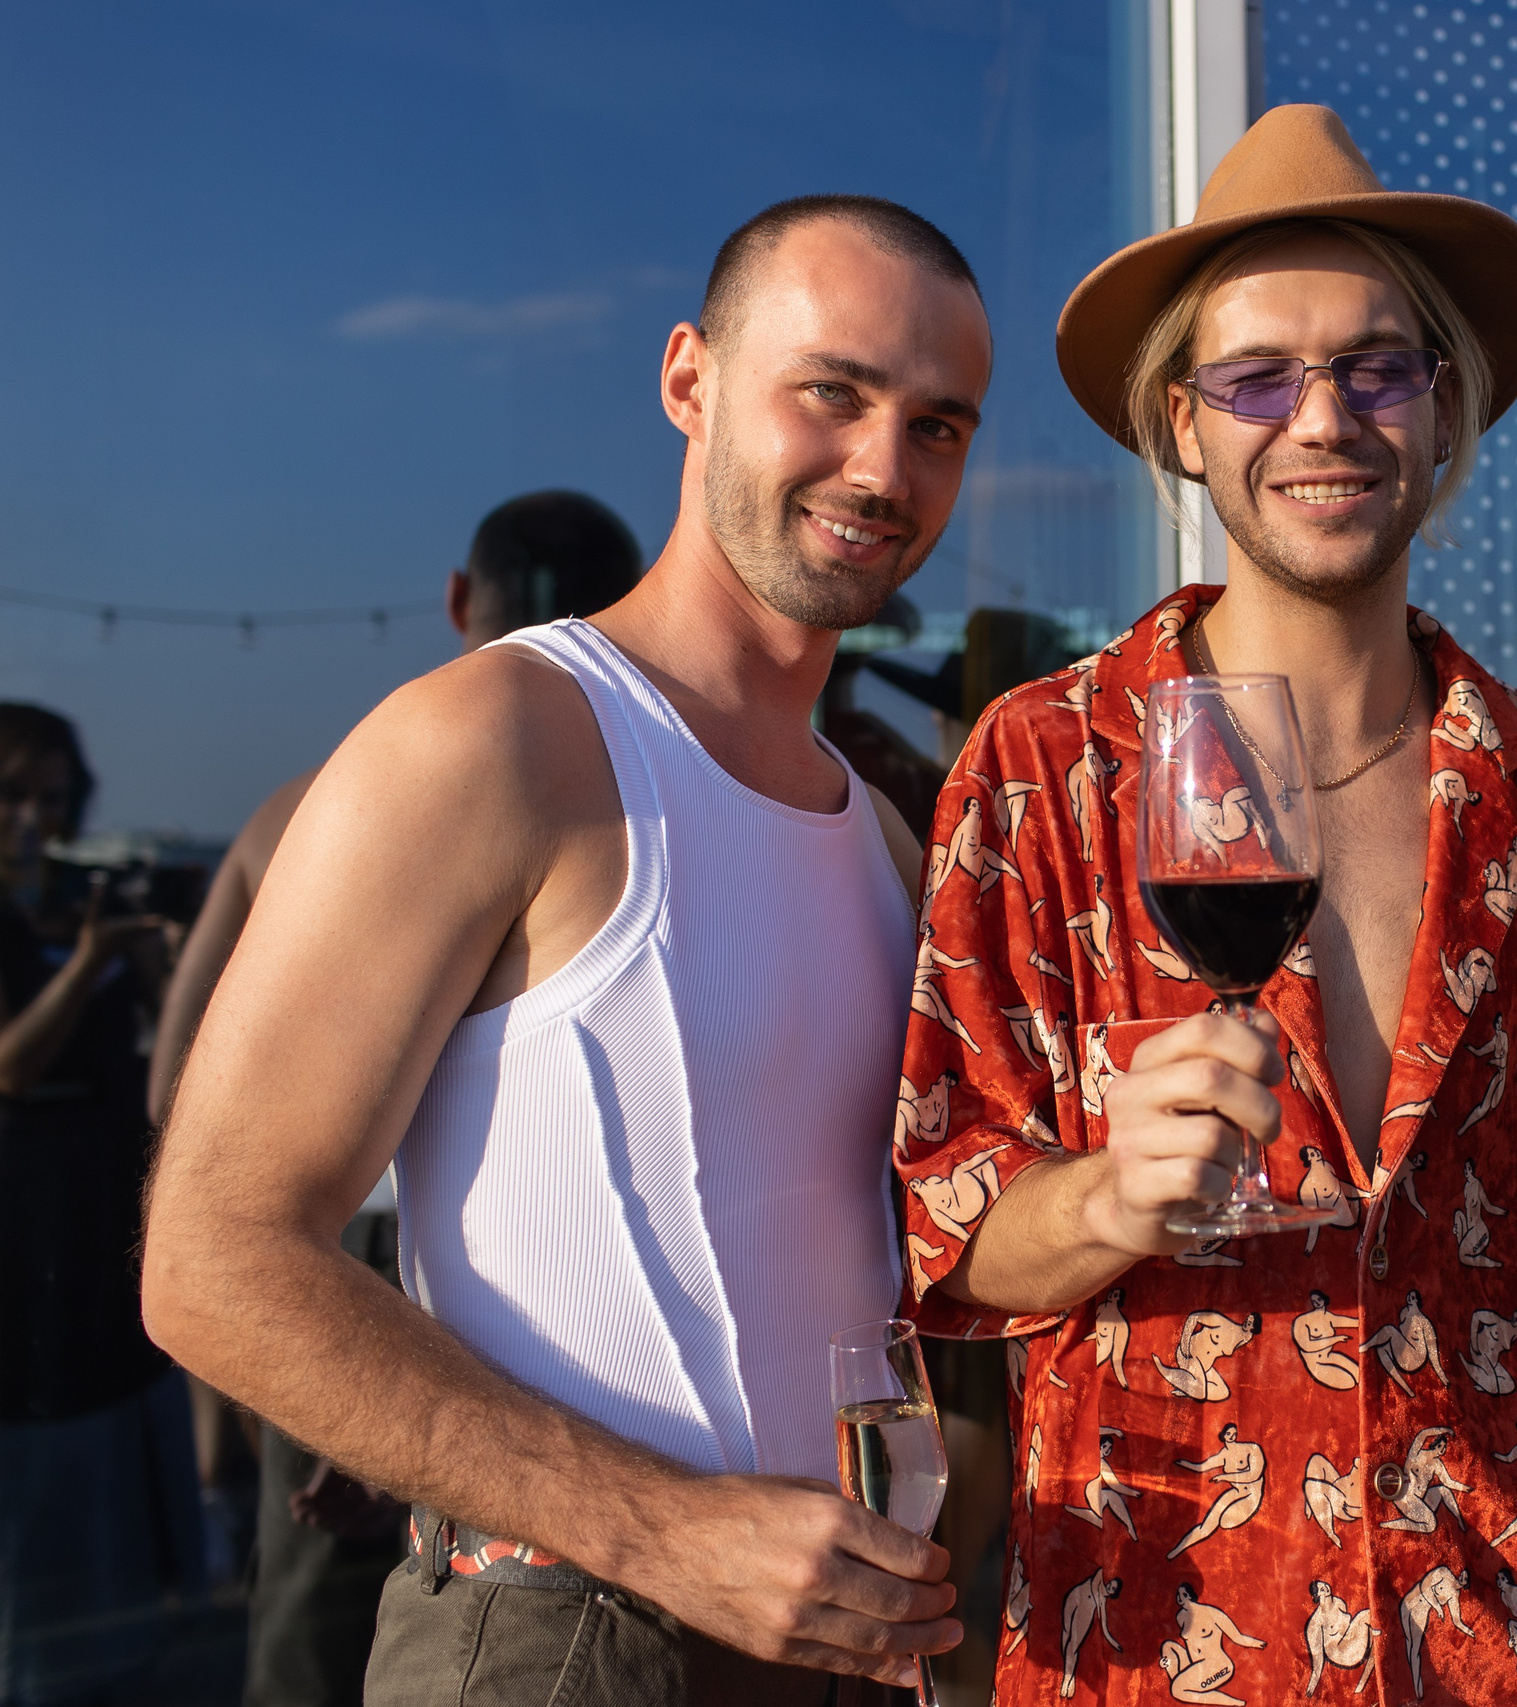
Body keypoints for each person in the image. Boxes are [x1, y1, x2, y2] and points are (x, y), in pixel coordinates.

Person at [896, 104, 1517, 1704]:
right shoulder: (1044, 763)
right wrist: (1115, 1196)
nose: (1322, 417)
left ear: (1441, 407)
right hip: (1172, 1638)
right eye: (1259, 377)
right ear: (1183, 428)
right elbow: (945, 1232)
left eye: (1377, 367)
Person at [141, 193, 991, 1704]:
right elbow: (211, 1257)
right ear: (689, 379)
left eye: (938, 424)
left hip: (847, 1641)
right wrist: (666, 1530)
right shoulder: (496, 737)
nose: (883, 467)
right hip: (568, 1635)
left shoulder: (883, 836)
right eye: (834, 393)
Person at [146, 489, 643, 1707]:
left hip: (342, 1249)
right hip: (518, 1274)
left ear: (458, 601)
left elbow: (175, 1087)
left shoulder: (311, 804)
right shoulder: (631, 806)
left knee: (310, 1626)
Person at [0, 701, 204, 1707]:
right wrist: (87, 964)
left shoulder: (72, 903)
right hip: (18, 1243)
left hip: (100, 1231)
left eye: (49, 798)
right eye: (9, 796)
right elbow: (9, 1065)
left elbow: (163, 1064)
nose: (30, 820)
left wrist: (150, 965)